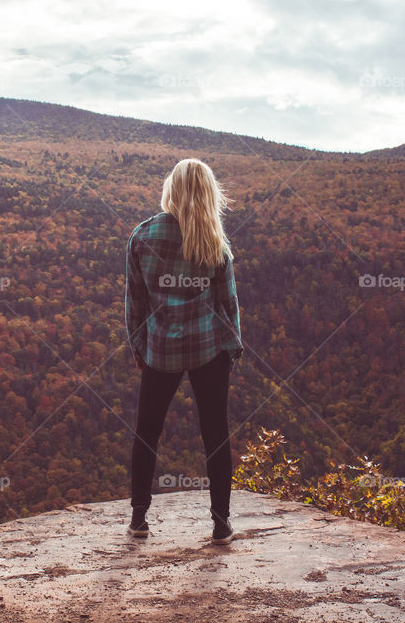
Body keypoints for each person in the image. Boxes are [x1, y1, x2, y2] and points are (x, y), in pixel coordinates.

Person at [124, 158, 244, 545]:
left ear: (171, 188)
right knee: (215, 435)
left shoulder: (143, 236)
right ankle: (221, 523)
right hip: (208, 349)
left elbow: (135, 302)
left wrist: (138, 346)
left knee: (147, 432)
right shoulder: (213, 241)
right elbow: (228, 305)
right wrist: (233, 347)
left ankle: (139, 519)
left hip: (160, 350)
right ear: (208, 192)